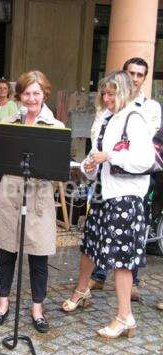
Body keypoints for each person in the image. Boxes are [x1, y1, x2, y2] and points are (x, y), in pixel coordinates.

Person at [61, 71, 154, 339]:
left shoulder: (135, 119)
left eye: (112, 93)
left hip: (126, 197)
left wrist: (109, 156)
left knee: (122, 260)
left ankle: (125, 317)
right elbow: (96, 158)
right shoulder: (107, 118)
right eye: (104, 92)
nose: (106, 97)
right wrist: (88, 166)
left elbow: (144, 161)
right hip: (104, 192)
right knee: (90, 244)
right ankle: (82, 291)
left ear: (124, 92)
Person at [0, 70, 64, 333]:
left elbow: (57, 169)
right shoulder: (10, 122)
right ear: (19, 95)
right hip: (10, 196)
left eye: (36, 93)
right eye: (27, 93)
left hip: (39, 199)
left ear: (44, 94)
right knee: (6, 252)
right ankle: (2, 304)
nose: (31, 98)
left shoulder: (55, 128)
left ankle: (37, 309)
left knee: (39, 257)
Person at [89, 57, 162, 301]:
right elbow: (98, 141)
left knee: (127, 244)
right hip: (106, 180)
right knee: (101, 233)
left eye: (140, 74)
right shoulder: (109, 112)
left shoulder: (145, 110)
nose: (134, 78)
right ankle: (99, 276)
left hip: (131, 184)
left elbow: (144, 150)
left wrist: (112, 154)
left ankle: (128, 297)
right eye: (131, 72)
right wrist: (94, 160)